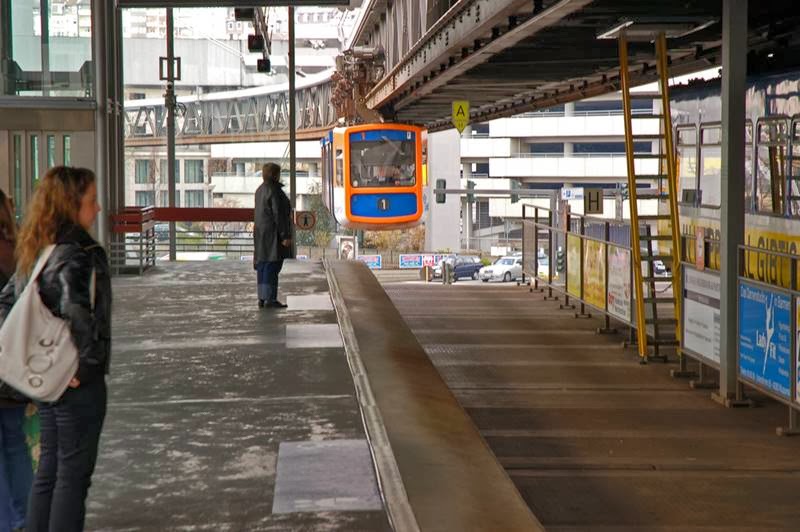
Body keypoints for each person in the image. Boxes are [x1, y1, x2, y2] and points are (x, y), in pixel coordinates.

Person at [0, 167, 111, 532]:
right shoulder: (78, 251)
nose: (97, 210)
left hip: (47, 379)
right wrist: (86, 371)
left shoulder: (37, 247)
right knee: (72, 478)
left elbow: (9, 302)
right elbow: (81, 316)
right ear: (70, 204)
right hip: (72, 382)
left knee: (49, 469)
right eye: (91, 201)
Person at [0, 188, 33, 532]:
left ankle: (7, 522)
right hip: (13, 365)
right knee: (15, 442)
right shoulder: (20, 251)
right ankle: (24, 517)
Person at [253, 162, 293, 309]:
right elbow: (279, 214)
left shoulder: (259, 190)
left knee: (263, 265)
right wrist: (285, 235)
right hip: (273, 234)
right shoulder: (274, 191)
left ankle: (262, 298)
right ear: (275, 175)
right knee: (272, 265)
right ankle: (270, 299)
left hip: (261, 233)